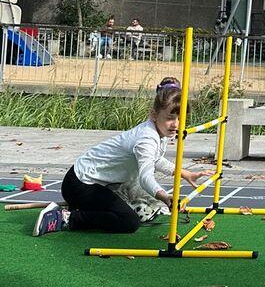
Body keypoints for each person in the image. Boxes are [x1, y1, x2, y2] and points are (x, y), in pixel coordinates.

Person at [32, 77, 213, 236]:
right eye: (170, 118)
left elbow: (155, 159)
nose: (176, 124)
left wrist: (183, 173)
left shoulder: (159, 131)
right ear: (153, 115)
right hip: (80, 185)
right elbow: (145, 177)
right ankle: (67, 218)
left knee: (128, 211)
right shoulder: (146, 139)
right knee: (129, 222)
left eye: (180, 118)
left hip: (96, 183)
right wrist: (164, 197)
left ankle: (82, 207)